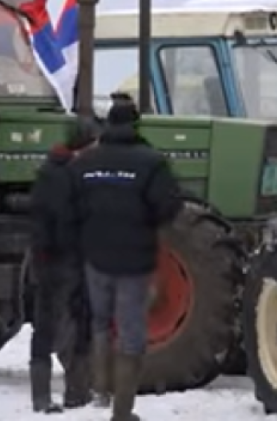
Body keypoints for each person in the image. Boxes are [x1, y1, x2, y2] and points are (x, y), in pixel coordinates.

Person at [67, 101, 183, 421]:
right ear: (136, 124)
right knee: (131, 331)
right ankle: (122, 411)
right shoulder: (151, 161)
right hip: (135, 257)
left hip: (95, 256)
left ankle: (101, 388)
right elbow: (168, 207)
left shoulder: (83, 162)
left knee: (101, 322)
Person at [28, 116, 100, 413]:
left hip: (67, 257)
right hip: (58, 259)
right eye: (94, 143)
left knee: (78, 322)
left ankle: (76, 391)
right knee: (52, 324)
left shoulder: (62, 171)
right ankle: (44, 396)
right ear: (83, 144)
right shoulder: (62, 175)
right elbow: (58, 220)